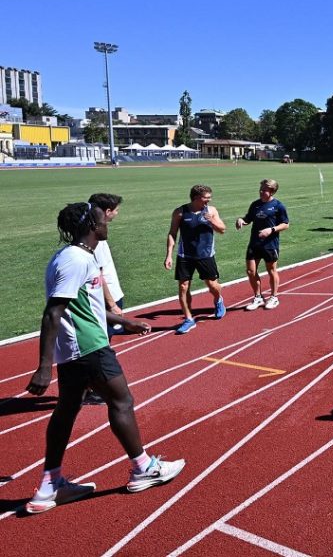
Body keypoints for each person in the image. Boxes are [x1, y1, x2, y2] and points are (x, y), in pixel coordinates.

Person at [25, 202, 185, 514]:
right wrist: (44, 367)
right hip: (89, 348)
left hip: (77, 348)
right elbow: (53, 313)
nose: (107, 222)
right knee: (122, 401)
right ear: (91, 225)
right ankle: (143, 468)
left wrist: (123, 321)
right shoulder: (74, 259)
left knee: (67, 410)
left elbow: (83, 304)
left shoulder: (79, 256)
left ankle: (50, 485)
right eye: (102, 218)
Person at [81, 193, 126, 406]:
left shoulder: (100, 233)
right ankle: (92, 389)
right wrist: (112, 304)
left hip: (110, 297)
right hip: (105, 301)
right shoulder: (94, 238)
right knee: (101, 348)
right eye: (116, 209)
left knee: (103, 345)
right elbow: (98, 274)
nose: (117, 213)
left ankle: (89, 387)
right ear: (107, 212)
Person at [165, 185, 226, 335]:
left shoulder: (211, 211)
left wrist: (211, 221)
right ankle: (188, 319)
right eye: (206, 198)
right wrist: (169, 255)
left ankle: (218, 299)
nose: (209, 200)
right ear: (196, 198)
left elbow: (222, 229)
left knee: (212, 285)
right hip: (185, 255)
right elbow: (172, 233)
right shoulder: (180, 212)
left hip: (206, 254)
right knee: (183, 287)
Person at [236, 179, 290, 311]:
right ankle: (258, 297)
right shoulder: (255, 204)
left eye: (264, 189)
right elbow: (248, 219)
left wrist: (271, 230)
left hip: (270, 244)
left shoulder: (278, 206)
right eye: (260, 188)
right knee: (250, 271)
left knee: (271, 270)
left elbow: (285, 224)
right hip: (254, 243)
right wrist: (241, 220)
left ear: (272, 191)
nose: (261, 191)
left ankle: (274, 297)